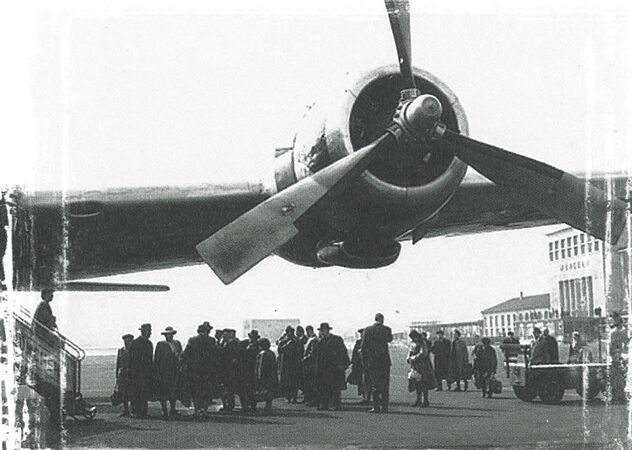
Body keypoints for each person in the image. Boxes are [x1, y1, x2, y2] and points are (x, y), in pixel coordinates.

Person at [181, 321, 217, 418]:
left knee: (195, 391)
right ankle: (204, 410)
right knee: (206, 391)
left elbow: (185, 354)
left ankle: (198, 409)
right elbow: (215, 355)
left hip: (194, 370)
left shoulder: (192, 340)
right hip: (207, 370)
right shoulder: (211, 341)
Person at [361, 313, 393, 413]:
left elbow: (363, 347)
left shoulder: (367, 330)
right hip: (384, 361)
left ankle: (376, 406)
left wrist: (364, 361)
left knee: (374, 384)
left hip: (372, 361)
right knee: (385, 385)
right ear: (382, 320)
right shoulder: (387, 329)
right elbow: (390, 339)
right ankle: (385, 407)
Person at [314, 322, 350, 411]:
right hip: (324, 369)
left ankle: (336, 405)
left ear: (327, 330)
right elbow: (318, 356)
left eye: (323, 330)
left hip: (335, 369)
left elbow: (343, 353)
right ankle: (324, 405)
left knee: (335, 388)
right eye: (321, 330)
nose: (322, 332)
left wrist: (343, 365)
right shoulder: (320, 341)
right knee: (324, 387)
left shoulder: (336, 339)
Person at [154, 326, 182, 418]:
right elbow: (157, 359)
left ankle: (173, 409)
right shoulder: (161, 344)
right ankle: (164, 410)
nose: (169, 336)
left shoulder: (177, 343)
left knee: (174, 391)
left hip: (175, 371)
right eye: (167, 335)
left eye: (171, 334)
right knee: (163, 391)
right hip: (164, 371)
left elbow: (181, 355)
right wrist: (157, 372)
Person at [129, 323, 154, 418]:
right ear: (144, 331)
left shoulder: (149, 343)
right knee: (137, 392)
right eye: (149, 331)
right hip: (137, 373)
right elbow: (133, 360)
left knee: (144, 392)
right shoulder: (136, 343)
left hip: (146, 372)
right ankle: (137, 411)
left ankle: (143, 411)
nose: (150, 333)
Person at [407, 330, 435, 407]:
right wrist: (408, 357)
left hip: (423, 365)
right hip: (415, 365)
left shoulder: (422, 342)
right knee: (417, 383)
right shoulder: (413, 343)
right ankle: (418, 400)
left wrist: (414, 357)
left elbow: (423, 353)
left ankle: (425, 401)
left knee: (423, 383)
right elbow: (410, 351)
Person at [276, 326, 302, 403]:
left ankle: (292, 397)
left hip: (292, 364)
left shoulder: (294, 340)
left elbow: (299, 350)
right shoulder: (286, 340)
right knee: (289, 382)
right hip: (288, 363)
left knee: (292, 382)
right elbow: (280, 348)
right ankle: (289, 397)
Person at [220, 328, 243, 412]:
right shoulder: (225, 343)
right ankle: (229, 404)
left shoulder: (233, 344)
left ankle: (230, 405)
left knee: (231, 388)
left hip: (231, 369)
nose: (224, 336)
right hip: (227, 369)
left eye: (225, 335)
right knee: (228, 388)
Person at [255, 338, 279, 415]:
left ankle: (266, 408)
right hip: (271, 374)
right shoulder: (271, 353)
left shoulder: (262, 354)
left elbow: (260, 366)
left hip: (265, 375)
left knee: (265, 391)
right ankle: (268, 407)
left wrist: (258, 376)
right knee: (270, 391)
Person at [608, 312, 629, 403]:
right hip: (617, 357)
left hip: (621, 357)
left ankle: (621, 395)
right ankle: (618, 395)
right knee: (617, 378)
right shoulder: (614, 332)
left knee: (620, 377)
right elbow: (611, 346)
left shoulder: (623, 332)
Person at [241, 329, 261, 413]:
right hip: (251, 368)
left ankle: (250, 405)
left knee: (249, 387)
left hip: (250, 368)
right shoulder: (256, 346)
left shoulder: (253, 346)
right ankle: (251, 405)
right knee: (251, 387)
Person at [349, 328, 370, 404]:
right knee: (362, 382)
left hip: (367, 365)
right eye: (361, 334)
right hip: (360, 365)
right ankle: (365, 397)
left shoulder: (369, 342)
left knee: (367, 382)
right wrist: (353, 362)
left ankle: (367, 398)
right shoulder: (358, 342)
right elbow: (354, 353)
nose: (361, 335)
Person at [115, 334, 134, 416]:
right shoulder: (121, 350)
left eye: (128, 341)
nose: (126, 343)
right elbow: (118, 363)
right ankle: (125, 410)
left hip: (131, 374)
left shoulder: (134, 351)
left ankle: (133, 410)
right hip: (122, 374)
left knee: (132, 393)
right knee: (123, 393)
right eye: (125, 341)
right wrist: (117, 375)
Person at [302, 325, 319, 406]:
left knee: (311, 383)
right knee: (309, 383)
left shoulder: (313, 339)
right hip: (310, 364)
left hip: (311, 364)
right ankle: (310, 399)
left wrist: (305, 358)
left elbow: (312, 353)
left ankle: (312, 400)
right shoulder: (312, 339)